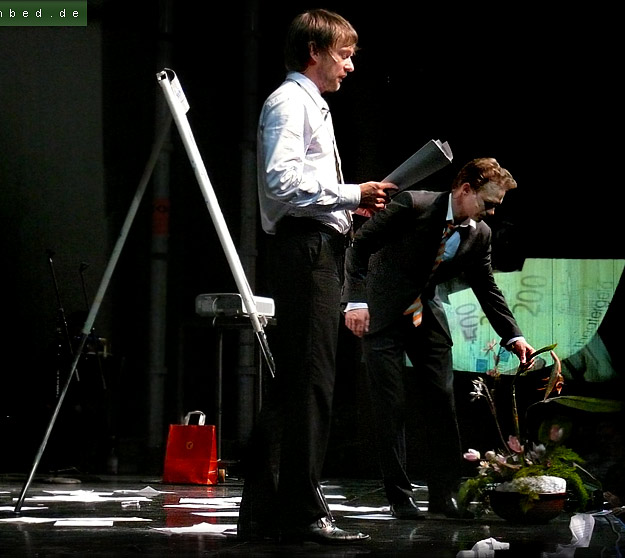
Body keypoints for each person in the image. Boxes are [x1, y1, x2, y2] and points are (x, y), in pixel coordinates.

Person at [237, 9, 397, 544]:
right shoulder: (291, 102)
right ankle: (300, 512)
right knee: (309, 383)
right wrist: (350, 193)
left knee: (297, 384)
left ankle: (265, 511)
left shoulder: (309, 105)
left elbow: (299, 185)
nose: (350, 66)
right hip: (306, 252)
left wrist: (350, 204)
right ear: (314, 51)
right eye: (344, 55)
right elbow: (281, 184)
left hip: (314, 246)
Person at [343, 157, 535, 519]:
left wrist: (513, 336)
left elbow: (486, 286)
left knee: (442, 403)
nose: (492, 212)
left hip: (425, 311)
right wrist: (355, 301)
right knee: (390, 406)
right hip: (382, 311)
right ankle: (400, 497)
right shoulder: (413, 205)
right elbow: (359, 246)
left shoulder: (479, 233)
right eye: (488, 203)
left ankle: (444, 496)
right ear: (465, 190)